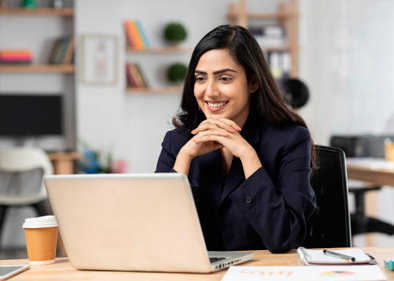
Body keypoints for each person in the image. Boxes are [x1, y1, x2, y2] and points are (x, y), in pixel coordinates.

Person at [155, 25, 316, 253]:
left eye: (224, 78)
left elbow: (284, 238)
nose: (209, 92)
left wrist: (248, 156)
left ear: (253, 82)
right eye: (201, 79)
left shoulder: (290, 139)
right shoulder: (178, 142)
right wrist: (184, 159)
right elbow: (157, 235)